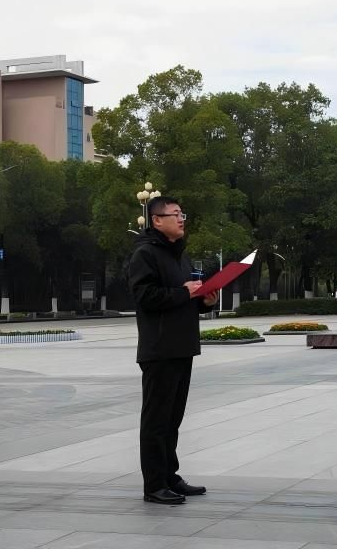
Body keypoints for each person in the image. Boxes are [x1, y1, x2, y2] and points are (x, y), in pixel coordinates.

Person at [129, 196, 217, 505]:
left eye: (182, 214)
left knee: (172, 419)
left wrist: (205, 301)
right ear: (157, 220)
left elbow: (185, 298)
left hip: (182, 346)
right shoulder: (145, 254)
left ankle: (170, 476)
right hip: (159, 349)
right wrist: (183, 292)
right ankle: (154, 485)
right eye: (175, 214)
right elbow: (145, 297)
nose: (181, 219)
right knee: (156, 421)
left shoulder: (180, 255)